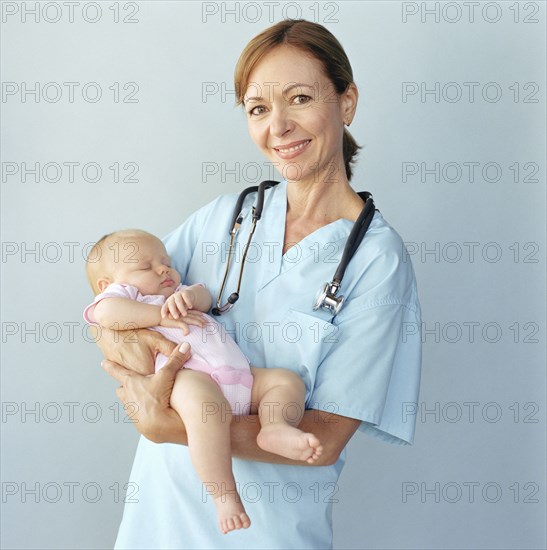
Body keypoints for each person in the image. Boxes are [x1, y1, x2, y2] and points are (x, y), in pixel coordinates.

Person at [95, 19, 422, 549]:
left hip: (266, 535)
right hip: (159, 523)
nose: (279, 126)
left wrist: (169, 424)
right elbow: (111, 302)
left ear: (347, 102)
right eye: (258, 108)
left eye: (299, 98)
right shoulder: (224, 219)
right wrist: (135, 357)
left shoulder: (376, 260)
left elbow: (326, 436)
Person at [83, 229, 323, 534]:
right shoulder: (130, 298)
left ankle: (274, 426)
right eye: (145, 267)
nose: (163, 269)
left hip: (240, 376)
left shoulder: (177, 292)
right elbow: (106, 314)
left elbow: (206, 295)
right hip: (190, 378)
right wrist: (158, 315)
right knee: (208, 412)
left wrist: (191, 296)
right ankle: (223, 495)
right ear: (108, 284)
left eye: (166, 262)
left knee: (284, 382)